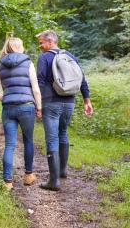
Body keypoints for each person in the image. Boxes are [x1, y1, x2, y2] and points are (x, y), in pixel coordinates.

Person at [36, 30, 93, 191]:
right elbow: (82, 80)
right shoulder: (70, 56)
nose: (40, 46)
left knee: (51, 138)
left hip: (51, 103)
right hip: (69, 102)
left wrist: (38, 104)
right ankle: (62, 171)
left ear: (50, 41)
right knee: (63, 133)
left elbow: (40, 81)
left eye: (41, 43)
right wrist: (87, 101)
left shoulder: (45, 57)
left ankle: (53, 181)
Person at [0, 37, 42, 191]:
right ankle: (28, 176)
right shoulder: (28, 63)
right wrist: (39, 107)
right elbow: (35, 89)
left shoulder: (0, 66)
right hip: (26, 106)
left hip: (8, 108)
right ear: (20, 47)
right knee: (28, 140)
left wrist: (5, 98)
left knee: (10, 145)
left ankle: (7, 182)